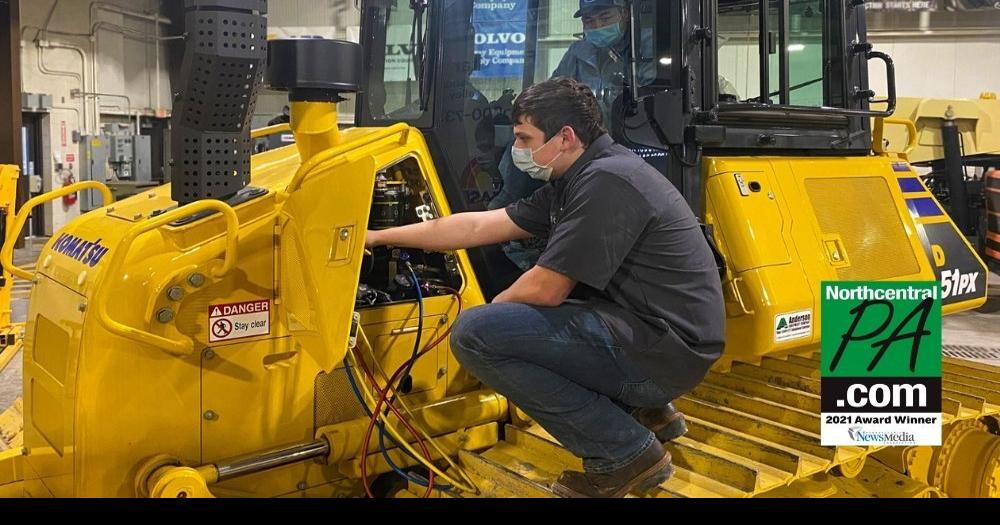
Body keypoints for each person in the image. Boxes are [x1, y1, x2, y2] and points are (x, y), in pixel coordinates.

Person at [366, 78, 726, 498]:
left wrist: (486, 326)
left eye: (524, 137)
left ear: (565, 137)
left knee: (476, 335)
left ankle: (624, 453)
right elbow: (480, 224)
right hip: (657, 336)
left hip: (665, 352)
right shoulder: (580, 177)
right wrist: (377, 238)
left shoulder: (607, 182)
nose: (516, 149)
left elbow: (546, 289)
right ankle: (648, 412)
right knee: (508, 322)